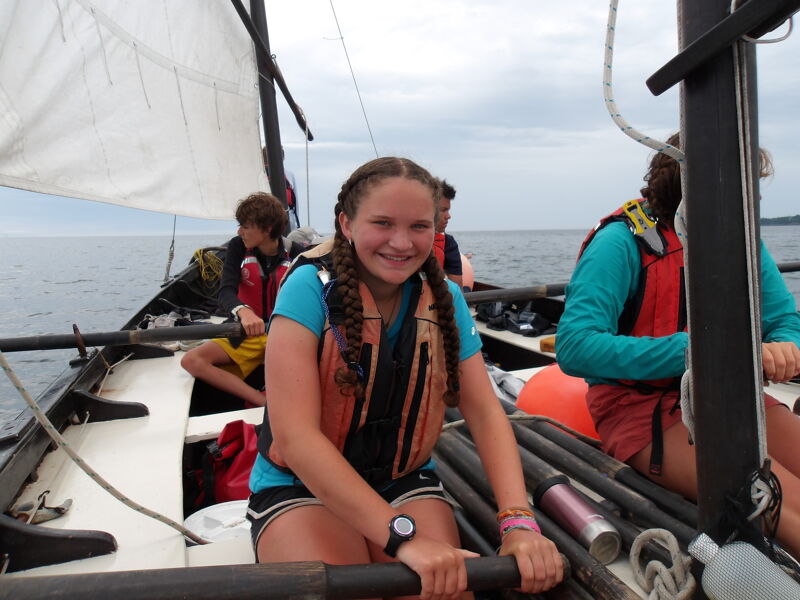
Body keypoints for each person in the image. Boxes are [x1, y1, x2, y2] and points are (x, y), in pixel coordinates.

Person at [246, 157, 563, 598]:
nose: (401, 242)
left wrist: (518, 522)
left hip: (401, 479)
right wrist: (403, 539)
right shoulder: (307, 290)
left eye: (418, 226)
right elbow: (296, 439)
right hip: (302, 487)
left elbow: (486, 414)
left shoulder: (445, 299)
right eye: (382, 223)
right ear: (346, 223)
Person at [556, 134, 800, 559]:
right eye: (742, 184)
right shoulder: (620, 243)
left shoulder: (740, 239)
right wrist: (700, 352)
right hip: (637, 407)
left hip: (730, 395)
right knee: (781, 502)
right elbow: (575, 345)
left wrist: (783, 345)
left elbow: (782, 318)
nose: (752, 197)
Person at [181, 192, 301, 408]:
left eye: (246, 226)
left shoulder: (298, 255)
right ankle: (262, 402)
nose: (239, 231)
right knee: (192, 360)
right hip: (247, 333)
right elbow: (225, 292)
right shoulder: (238, 247)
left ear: (268, 229)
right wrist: (244, 312)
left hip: (283, 335)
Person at [434, 179, 464, 289]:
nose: (448, 216)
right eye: (443, 210)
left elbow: (456, 291)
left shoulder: (448, 243)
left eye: (448, 210)